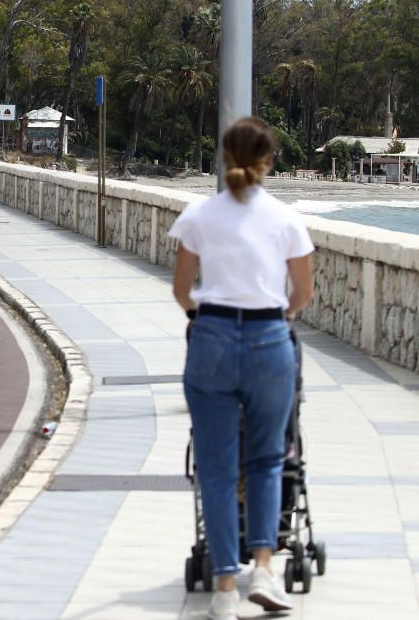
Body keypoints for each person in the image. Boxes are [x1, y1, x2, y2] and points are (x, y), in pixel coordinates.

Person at [168, 117, 315, 620]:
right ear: (269, 160)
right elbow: (303, 294)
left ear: (223, 157)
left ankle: (225, 588)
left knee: (216, 464)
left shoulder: (198, 216)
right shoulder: (287, 219)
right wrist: (278, 319)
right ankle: (265, 570)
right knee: (268, 458)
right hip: (269, 339)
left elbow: (182, 289)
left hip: (210, 339)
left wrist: (201, 317)